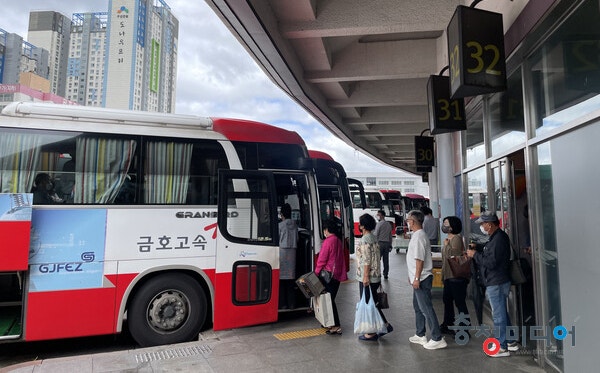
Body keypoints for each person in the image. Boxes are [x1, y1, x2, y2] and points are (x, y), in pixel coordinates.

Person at [466, 211, 519, 357]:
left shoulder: (499, 239)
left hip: (497, 281)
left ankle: (501, 346)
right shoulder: (496, 237)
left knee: (498, 315)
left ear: (489, 225)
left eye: (483, 224)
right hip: (497, 280)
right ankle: (510, 340)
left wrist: (474, 255)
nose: (482, 227)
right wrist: (478, 248)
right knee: (501, 312)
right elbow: (490, 253)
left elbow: (491, 262)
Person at [406, 209, 447, 349]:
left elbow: (419, 260)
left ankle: (437, 337)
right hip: (417, 278)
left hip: (421, 278)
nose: (407, 223)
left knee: (426, 308)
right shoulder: (417, 235)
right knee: (418, 307)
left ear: (412, 221)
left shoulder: (418, 237)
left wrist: (416, 277)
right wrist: (412, 276)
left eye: (408, 220)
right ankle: (420, 334)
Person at [355, 213, 393, 341]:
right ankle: (385, 325)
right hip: (375, 276)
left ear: (363, 226)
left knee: (368, 304)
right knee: (373, 303)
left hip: (368, 277)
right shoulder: (374, 238)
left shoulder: (365, 239)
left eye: (360, 223)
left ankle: (371, 332)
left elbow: (366, 260)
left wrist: (365, 277)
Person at [314, 219, 348, 335]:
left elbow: (322, 259)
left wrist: (316, 272)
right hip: (337, 275)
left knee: (329, 300)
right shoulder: (338, 241)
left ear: (327, 230)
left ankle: (336, 325)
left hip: (328, 276)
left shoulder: (328, 242)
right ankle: (328, 323)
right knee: (330, 299)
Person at [439, 216, 470, 335]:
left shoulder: (456, 238)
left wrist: (446, 245)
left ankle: (464, 328)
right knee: (447, 300)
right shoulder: (448, 238)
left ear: (452, 226)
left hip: (456, 277)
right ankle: (447, 323)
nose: (444, 225)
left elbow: (453, 255)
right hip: (448, 276)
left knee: (459, 302)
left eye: (446, 223)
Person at [278, 203, 298, 309]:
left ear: (282, 214)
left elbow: (277, 239)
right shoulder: (294, 224)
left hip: (282, 253)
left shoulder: (280, 225)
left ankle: (283, 304)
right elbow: (297, 239)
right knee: (290, 280)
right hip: (292, 253)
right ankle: (292, 304)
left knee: (281, 281)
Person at [373, 210, 392, 279]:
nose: (378, 216)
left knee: (377, 259)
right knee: (386, 260)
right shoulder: (388, 224)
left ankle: (378, 273)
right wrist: (390, 244)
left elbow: (375, 234)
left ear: (383, 216)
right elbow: (390, 236)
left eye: (379, 215)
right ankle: (386, 273)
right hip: (387, 243)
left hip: (380, 243)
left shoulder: (379, 224)